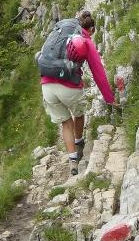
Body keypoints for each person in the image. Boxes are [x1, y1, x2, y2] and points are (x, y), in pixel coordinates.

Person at [38, 10, 117, 174]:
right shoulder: (85, 41)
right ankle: (79, 142)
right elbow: (98, 73)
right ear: (91, 29)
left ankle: (73, 161)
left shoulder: (60, 31)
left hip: (47, 85)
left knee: (66, 123)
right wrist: (109, 99)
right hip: (69, 88)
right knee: (78, 114)